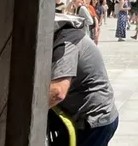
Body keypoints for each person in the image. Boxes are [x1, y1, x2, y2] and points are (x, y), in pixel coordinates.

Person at [48, 13, 119, 145]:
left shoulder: (66, 43)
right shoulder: (65, 36)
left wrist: (26, 113)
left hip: (93, 120)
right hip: (82, 117)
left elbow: (57, 92)